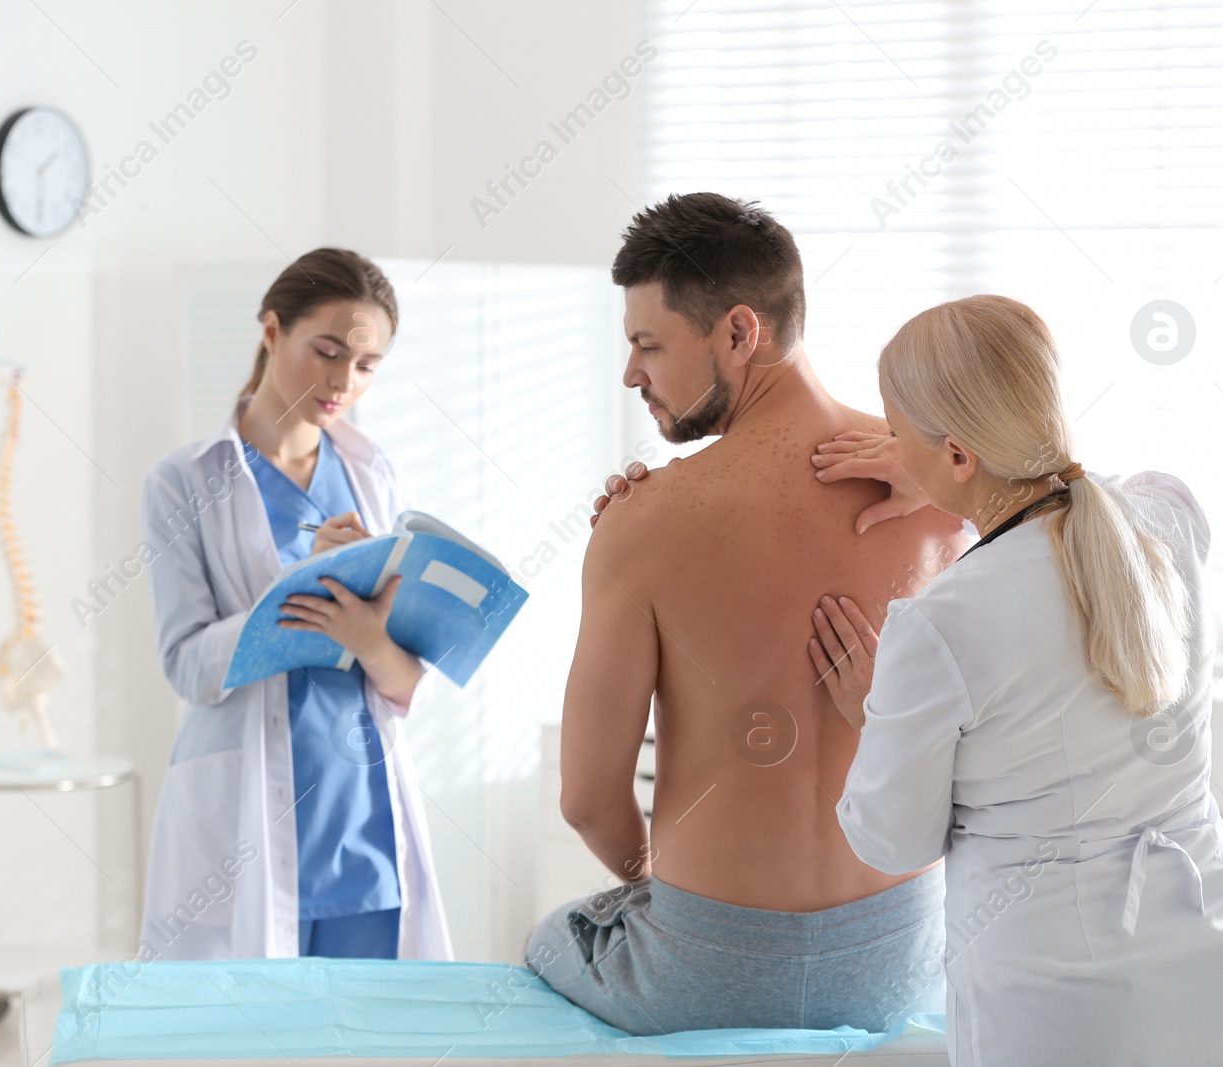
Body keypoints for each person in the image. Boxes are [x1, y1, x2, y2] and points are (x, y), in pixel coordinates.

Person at [524, 193, 973, 1036]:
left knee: (552, 934)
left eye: (647, 345)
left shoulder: (643, 522)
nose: (631, 375)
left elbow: (587, 797)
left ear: (738, 332)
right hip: (900, 954)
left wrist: (654, 886)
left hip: (707, 971)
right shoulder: (945, 485)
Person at [809, 295, 1223, 1065]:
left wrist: (874, 714)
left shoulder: (938, 624)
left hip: (1057, 1005)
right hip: (1215, 961)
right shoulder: (1167, 518)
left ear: (959, 453)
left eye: (898, 433)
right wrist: (966, 486)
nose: (891, 446)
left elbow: (892, 839)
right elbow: (1066, 517)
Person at [139, 248, 451, 962]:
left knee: (370, 1041)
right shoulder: (184, 482)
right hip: (247, 815)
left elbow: (405, 681)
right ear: (273, 330)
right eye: (328, 351)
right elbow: (187, 665)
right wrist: (296, 590)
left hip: (364, 819)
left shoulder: (374, 473)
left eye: (367, 365)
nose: (345, 380)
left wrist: (372, 640)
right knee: (250, 1036)